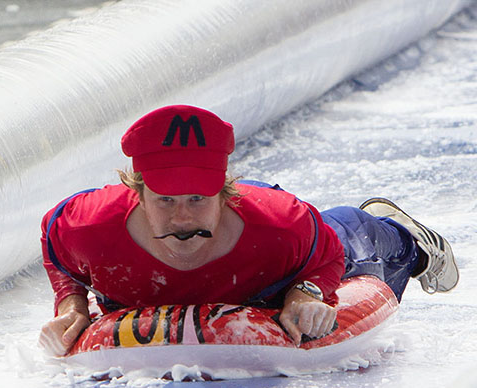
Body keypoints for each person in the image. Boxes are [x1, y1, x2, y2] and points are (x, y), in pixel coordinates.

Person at [38, 105, 459, 356]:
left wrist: (307, 292)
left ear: (223, 193)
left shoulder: (282, 224)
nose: (182, 219)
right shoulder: (88, 225)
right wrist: (70, 306)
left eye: (197, 200)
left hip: (267, 274)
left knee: (350, 234)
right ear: (137, 192)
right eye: (165, 200)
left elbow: (325, 252)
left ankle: (409, 240)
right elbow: (55, 249)